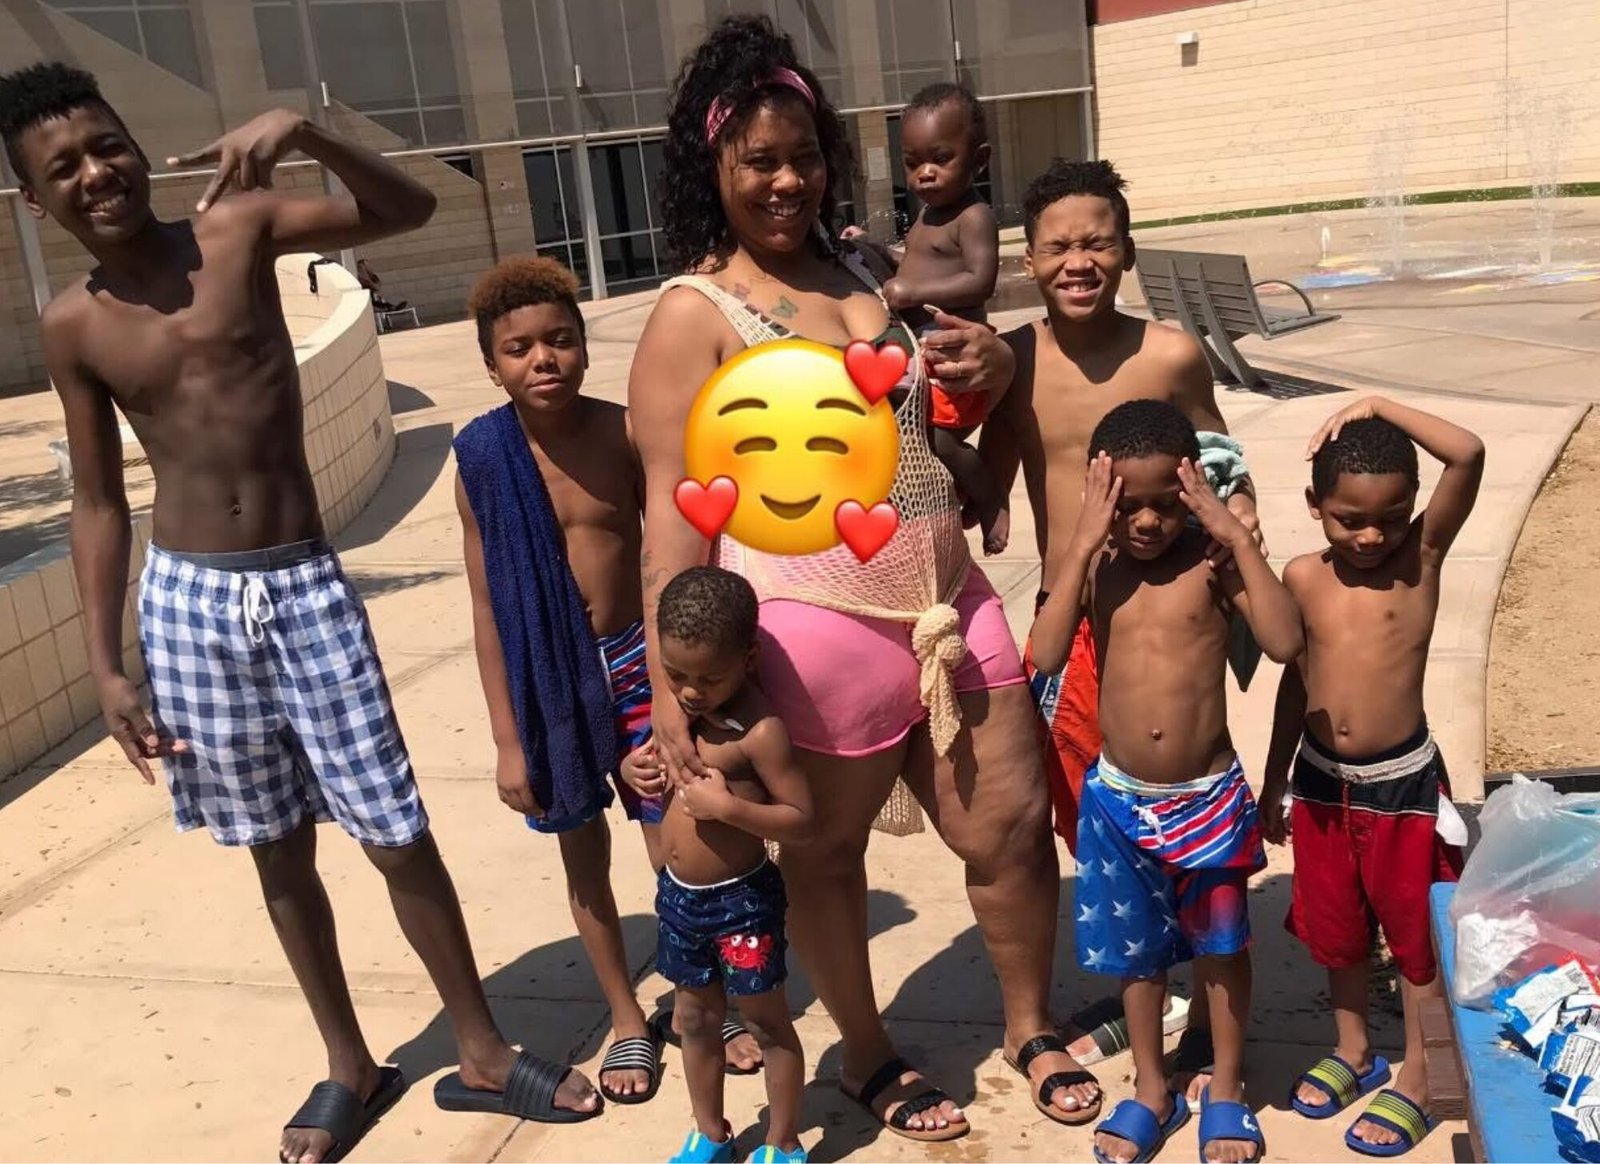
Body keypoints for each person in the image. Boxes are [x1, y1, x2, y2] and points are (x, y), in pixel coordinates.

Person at [0, 61, 598, 1164]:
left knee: (394, 829)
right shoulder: (72, 324)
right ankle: (349, 1063)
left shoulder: (235, 230)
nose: (96, 174)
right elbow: (96, 501)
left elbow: (408, 209)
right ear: (35, 202)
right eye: (63, 168)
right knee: (275, 850)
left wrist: (308, 130)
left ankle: (478, 1048)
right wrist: (107, 665)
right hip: (188, 604)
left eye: (106, 145)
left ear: (135, 143)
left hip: (304, 585)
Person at [630, 14, 1103, 1143]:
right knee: (826, 856)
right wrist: (665, 690)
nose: (787, 180)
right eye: (759, 161)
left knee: (1009, 827)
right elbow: (670, 520)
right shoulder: (694, 317)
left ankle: (1028, 1026)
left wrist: (986, 380)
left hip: (947, 601)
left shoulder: (859, 268)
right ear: (712, 167)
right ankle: (868, 1054)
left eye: (803, 155)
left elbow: (913, 428)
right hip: (810, 631)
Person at [980, 157, 1267, 1090]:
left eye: (1098, 242)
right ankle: (1154, 974)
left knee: (1180, 784)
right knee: (1094, 813)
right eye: (1058, 245)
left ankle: (1197, 997)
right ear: (1029, 259)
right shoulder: (1014, 361)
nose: (1079, 261)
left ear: (1127, 250)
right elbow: (986, 480)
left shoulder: (1170, 354)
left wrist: (1242, 517)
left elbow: (1219, 455)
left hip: (1170, 601)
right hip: (1075, 613)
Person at [1030, 399, 1303, 1164]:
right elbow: (1046, 655)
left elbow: (1284, 640)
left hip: (1206, 801)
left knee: (1221, 950)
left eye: (1165, 503)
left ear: (1192, 490)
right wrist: (1083, 542)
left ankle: (1226, 1088)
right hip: (1120, 803)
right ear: (1100, 496)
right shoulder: (1097, 567)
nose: (1146, 522)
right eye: (1126, 505)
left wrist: (1235, 537)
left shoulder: (1211, 564)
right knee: (1137, 956)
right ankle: (1151, 1088)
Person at [455, 255, 673, 1105]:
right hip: (549, 680)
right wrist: (508, 740)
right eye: (519, 349)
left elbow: (666, 554)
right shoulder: (483, 459)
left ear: (584, 346)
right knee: (584, 855)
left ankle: (705, 999)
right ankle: (626, 1017)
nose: (542, 359)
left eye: (559, 340)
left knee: (680, 845)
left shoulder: (625, 433)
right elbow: (486, 608)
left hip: (638, 660)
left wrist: (677, 680)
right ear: (491, 365)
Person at [1260, 397, 1483, 1159]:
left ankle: (1419, 1074)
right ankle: (1353, 1047)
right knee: (1337, 927)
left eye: (1390, 518)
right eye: (1349, 519)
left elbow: (1467, 453)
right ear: (1314, 505)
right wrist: (1272, 781)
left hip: (1403, 790)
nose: (1370, 536)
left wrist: (1378, 405)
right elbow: (1294, 683)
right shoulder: (1301, 576)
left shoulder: (1421, 560)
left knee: (1415, 936)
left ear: (1412, 509)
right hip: (1321, 783)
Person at [638, 567, 812, 1164]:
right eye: (676, 673)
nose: (690, 691)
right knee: (693, 1018)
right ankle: (710, 1134)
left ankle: (783, 1142)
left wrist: (730, 808)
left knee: (766, 1023)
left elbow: (801, 818)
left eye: (709, 677)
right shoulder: (677, 716)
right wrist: (640, 772)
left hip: (741, 903)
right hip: (679, 898)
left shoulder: (760, 732)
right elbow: (658, 770)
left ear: (748, 659)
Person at [875, 82, 1006, 555]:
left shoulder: (973, 216)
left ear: (979, 159)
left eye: (941, 159)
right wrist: (876, 252)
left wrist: (913, 292)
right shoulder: (928, 214)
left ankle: (990, 498)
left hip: (952, 351)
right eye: (913, 163)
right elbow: (917, 264)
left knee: (940, 440)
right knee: (910, 433)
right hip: (923, 349)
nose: (925, 173)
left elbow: (980, 280)